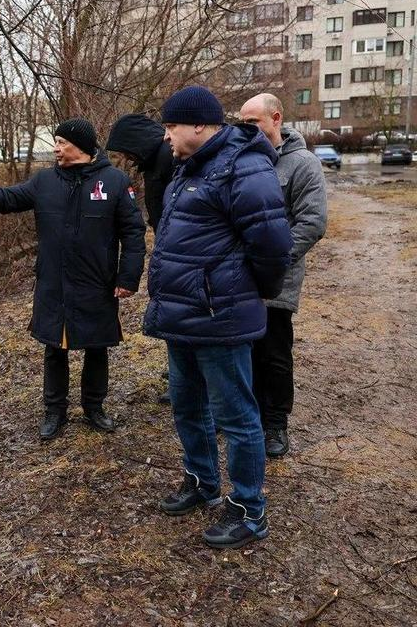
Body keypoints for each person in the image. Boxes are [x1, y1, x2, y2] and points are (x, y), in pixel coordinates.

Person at [143, 86, 292, 549]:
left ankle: (249, 509)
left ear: (200, 126)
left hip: (219, 318)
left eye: (171, 126)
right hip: (182, 317)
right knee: (188, 406)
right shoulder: (188, 167)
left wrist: (248, 294)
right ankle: (203, 482)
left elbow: (272, 245)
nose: (165, 136)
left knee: (237, 417)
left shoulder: (243, 166)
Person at [0, 117, 146, 441]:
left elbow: (134, 233)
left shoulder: (115, 182)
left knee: (97, 347)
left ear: (80, 146)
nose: (56, 147)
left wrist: (128, 277)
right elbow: (7, 198)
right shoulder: (44, 181)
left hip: (96, 283)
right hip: (54, 282)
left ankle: (94, 408)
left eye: (62, 142)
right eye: (56, 141)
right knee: (54, 348)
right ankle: (55, 411)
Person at [239, 93, 327, 459]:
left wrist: (272, 261)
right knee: (244, 351)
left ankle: (275, 424)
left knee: (274, 353)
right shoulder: (243, 161)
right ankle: (248, 419)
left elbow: (312, 222)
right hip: (240, 279)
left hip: (277, 280)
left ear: (275, 119)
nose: (245, 130)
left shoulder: (302, 164)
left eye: (252, 122)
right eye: (240, 123)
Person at [107, 114, 176, 403]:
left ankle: (182, 379)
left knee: (178, 313)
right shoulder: (155, 159)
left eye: (125, 150)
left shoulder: (167, 157)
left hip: (177, 246)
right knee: (173, 312)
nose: (124, 157)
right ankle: (177, 371)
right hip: (169, 242)